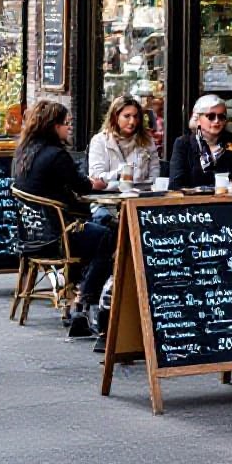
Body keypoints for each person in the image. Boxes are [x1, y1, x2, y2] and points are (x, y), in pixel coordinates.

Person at [13, 100, 114, 330]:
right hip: (58, 238)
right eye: (66, 123)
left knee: (98, 227)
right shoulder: (56, 156)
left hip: (32, 237)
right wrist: (96, 183)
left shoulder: (24, 152)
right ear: (53, 126)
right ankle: (84, 299)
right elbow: (83, 187)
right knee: (107, 236)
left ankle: (77, 290)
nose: (70, 128)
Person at [168, 94, 232, 192]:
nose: (217, 121)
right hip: (195, 205)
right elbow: (175, 185)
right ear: (197, 118)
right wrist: (231, 187)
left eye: (221, 117)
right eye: (211, 116)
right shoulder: (184, 144)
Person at [88, 94, 161, 192]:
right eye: (127, 116)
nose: (132, 122)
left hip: (139, 198)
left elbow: (155, 173)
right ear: (115, 117)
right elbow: (96, 177)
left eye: (136, 117)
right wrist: (122, 172)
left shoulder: (146, 140)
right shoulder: (100, 141)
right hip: (107, 198)